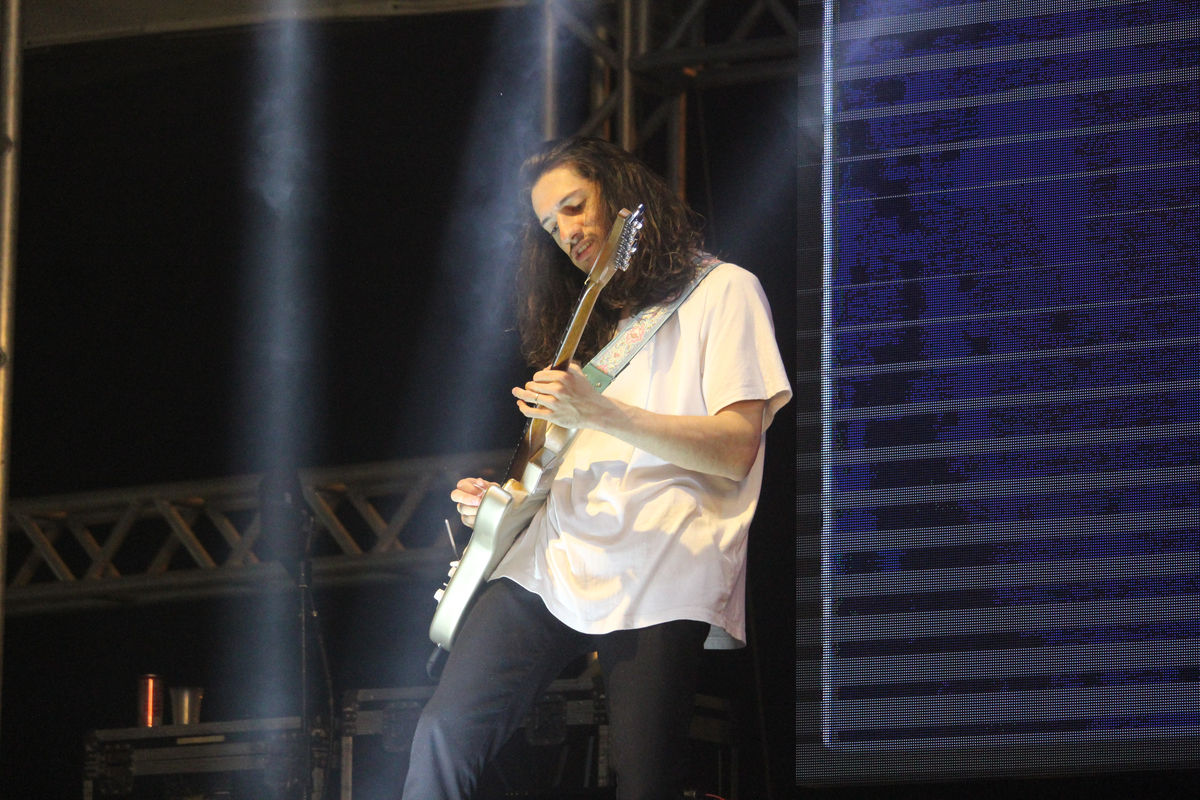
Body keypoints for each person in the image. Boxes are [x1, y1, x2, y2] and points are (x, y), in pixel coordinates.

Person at [402, 137, 791, 799]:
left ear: (622, 196)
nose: (567, 233)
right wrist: (499, 501)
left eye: (575, 206)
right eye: (551, 227)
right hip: (553, 558)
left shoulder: (726, 291)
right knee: (445, 730)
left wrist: (601, 412)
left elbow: (736, 449)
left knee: (644, 779)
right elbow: (566, 455)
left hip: (661, 561)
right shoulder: (589, 328)